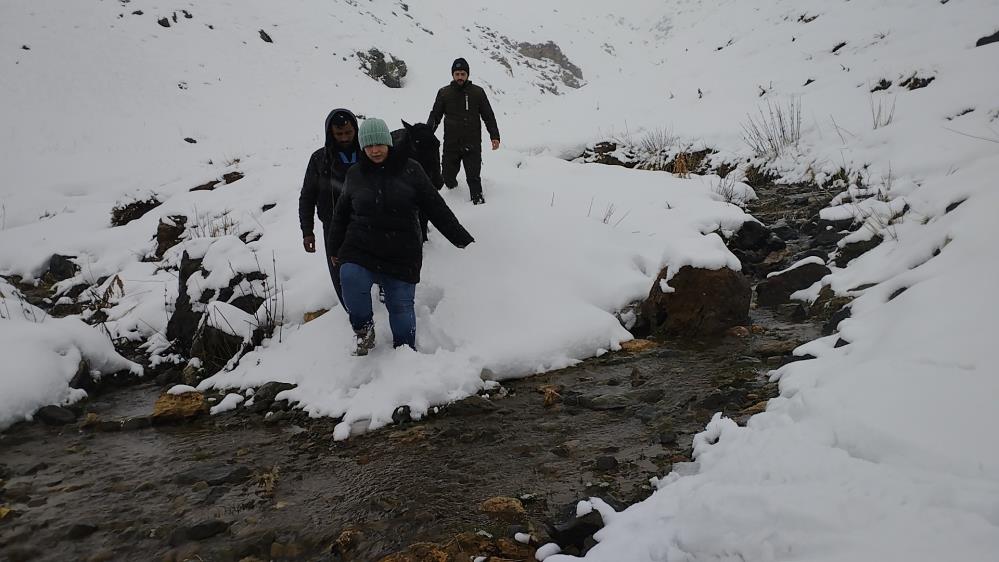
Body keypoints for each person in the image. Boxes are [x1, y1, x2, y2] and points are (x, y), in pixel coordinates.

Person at [327, 118, 474, 355]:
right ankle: (364, 330)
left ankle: (405, 354)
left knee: (401, 308)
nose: (375, 151)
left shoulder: (411, 169)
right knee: (350, 278)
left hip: (402, 249)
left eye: (379, 144)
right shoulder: (355, 174)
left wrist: (461, 238)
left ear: (388, 143)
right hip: (361, 245)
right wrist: (335, 247)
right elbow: (341, 214)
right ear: (362, 147)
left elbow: (435, 206)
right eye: (369, 146)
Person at [299, 108, 360, 306]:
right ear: (330, 133)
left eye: (348, 132)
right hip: (334, 228)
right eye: (339, 134)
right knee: (340, 273)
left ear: (355, 130)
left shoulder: (367, 153)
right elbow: (307, 196)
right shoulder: (319, 160)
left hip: (367, 223)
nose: (344, 138)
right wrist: (307, 231)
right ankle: (355, 316)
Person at [427, 57, 500, 205]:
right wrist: (427, 134)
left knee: (473, 176)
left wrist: (494, 136)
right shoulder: (444, 93)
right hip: (451, 144)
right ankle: (453, 193)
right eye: (457, 74)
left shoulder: (477, 93)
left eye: (463, 74)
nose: (460, 77)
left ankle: (479, 204)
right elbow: (435, 115)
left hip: (472, 143)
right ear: (453, 75)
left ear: (467, 75)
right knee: (447, 177)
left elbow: (488, 115)